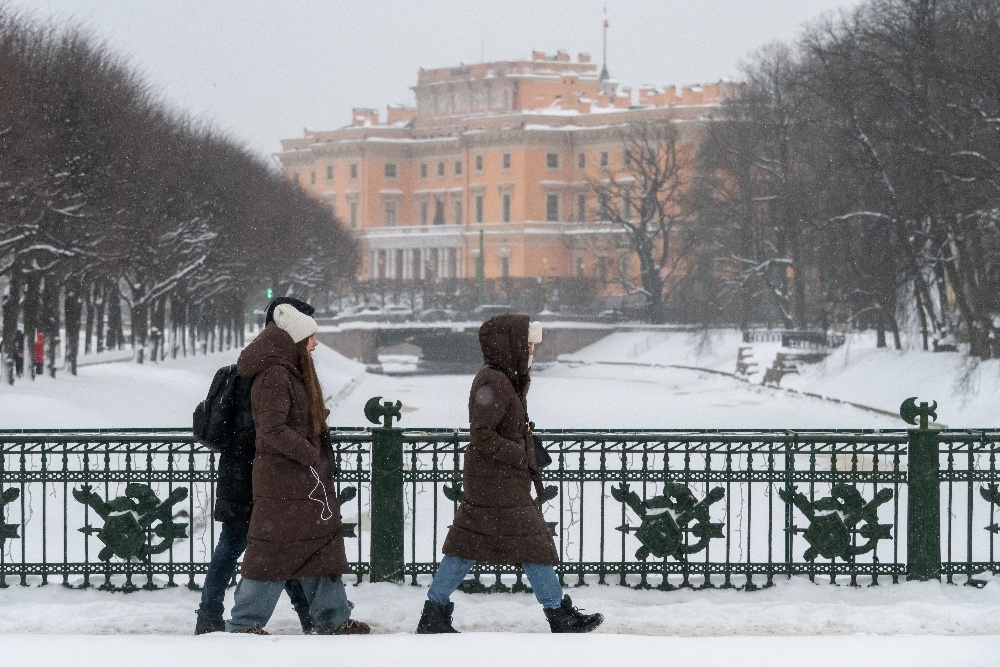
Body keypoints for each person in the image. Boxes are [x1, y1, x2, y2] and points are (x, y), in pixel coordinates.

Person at [416, 314, 604, 634]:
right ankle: (557, 613)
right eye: (527, 343)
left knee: (467, 547)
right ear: (511, 343)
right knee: (531, 546)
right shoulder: (494, 381)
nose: (531, 349)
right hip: (497, 483)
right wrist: (522, 455)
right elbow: (482, 434)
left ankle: (434, 612)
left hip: (496, 482)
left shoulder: (504, 378)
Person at [227, 303, 369, 635]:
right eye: (310, 338)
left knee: (317, 545)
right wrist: (308, 453)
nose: (315, 345)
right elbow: (272, 429)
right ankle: (245, 623)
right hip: (286, 481)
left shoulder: (284, 371)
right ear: (294, 341)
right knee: (271, 553)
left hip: (294, 481)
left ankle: (332, 618)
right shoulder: (277, 374)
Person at [195, 297, 317, 635]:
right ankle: (212, 614)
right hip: (253, 475)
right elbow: (264, 430)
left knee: (251, 546)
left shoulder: (253, 366)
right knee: (256, 545)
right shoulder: (267, 371)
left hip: (240, 472)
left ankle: (209, 615)